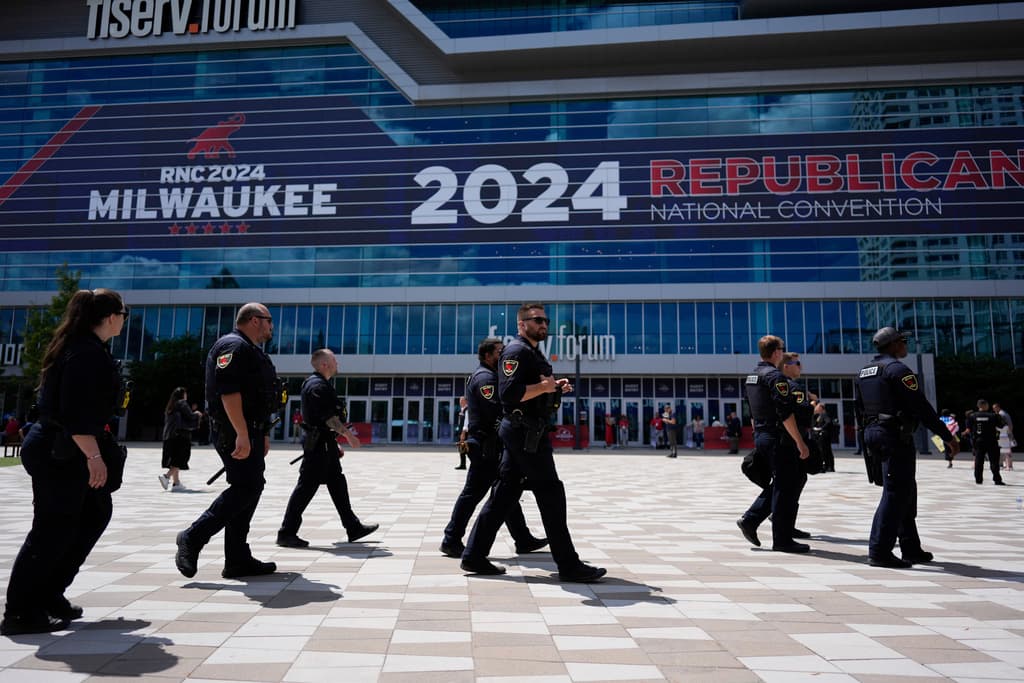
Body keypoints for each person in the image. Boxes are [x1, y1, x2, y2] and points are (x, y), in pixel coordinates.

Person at [1, 289, 128, 636]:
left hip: (66, 447)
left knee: (95, 511)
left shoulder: (88, 348)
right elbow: (74, 413)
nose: (124, 319)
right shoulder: (84, 353)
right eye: (124, 313)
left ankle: (48, 593)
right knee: (52, 528)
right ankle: (21, 612)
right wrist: (95, 457)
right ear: (110, 317)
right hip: (61, 450)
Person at [461, 303, 606, 583]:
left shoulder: (530, 352)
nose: (543, 324)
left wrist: (553, 388)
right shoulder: (515, 351)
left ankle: (474, 555)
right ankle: (568, 564)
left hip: (526, 432)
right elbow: (509, 394)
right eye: (536, 319)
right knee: (551, 492)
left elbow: (532, 390)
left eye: (545, 320)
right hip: (523, 433)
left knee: (504, 494)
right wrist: (544, 387)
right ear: (521, 324)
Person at [175, 303, 280, 580]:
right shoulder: (233, 346)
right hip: (234, 431)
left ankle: (237, 558)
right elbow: (229, 393)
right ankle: (192, 537)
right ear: (255, 320)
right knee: (246, 487)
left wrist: (263, 433)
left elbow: (258, 397)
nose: (272, 327)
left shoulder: (252, 350)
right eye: (269, 321)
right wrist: (243, 434)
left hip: (251, 430)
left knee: (251, 487)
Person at [855, 326, 959, 568]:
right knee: (895, 493)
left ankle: (910, 547)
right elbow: (921, 407)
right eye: (903, 341)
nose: (906, 345)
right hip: (894, 436)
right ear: (893, 345)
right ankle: (880, 550)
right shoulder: (898, 370)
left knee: (905, 491)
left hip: (875, 434)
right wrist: (948, 437)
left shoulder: (864, 372)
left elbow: (858, 408)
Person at [440, 337, 546, 559]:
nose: (503, 355)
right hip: (485, 447)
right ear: (487, 356)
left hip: (493, 446)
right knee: (473, 494)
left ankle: (523, 538)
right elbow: (499, 410)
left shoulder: (491, 376)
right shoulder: (485, 379)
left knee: (506, 492)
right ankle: (451, 539)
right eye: (499, 352)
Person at [277, 349, 377, 548]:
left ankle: (353, 526)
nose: (337, 363)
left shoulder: (318, 384)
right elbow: (328, 417)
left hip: (324, 443)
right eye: (333, 360)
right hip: (319, 445)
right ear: (324, 364)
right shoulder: (317, 386)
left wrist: (334, 442)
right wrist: (349, 436)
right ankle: (286, 532)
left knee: (337, 483)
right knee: (306, 486)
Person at [736, 335, 811, 554]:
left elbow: (751, 411)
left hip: (763, 435)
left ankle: (753, 520)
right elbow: (785, 413)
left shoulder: (752, 376)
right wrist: (800, 442)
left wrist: (758, 436)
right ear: (777, 352)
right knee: (786, 484)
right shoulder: (775, 377)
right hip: (779, 438)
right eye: (782, 349)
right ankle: (780, 538)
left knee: (787, 481)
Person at [159, 387, 202, 490]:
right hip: (180, 436)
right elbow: (190, 416)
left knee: (174, 459)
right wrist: (197, 414)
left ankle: (176, 483)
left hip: (170, 436)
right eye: (185, 393)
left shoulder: (171, 405)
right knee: (181, 458)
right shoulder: (182, 403)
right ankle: (166, 476)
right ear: (182, 395)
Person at [965, 399, 1005, 486]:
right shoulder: (993, 416)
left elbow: (968, 430)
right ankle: (997, 479)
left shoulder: (972, 416)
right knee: (994, 461)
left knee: (979, 461)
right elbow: (1001, 425)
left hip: (979, 441)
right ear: (985, 405)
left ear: (978, 406)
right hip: (992, 441)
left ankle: (978, 480)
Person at [813, 403, 835, 473]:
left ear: (821, 408)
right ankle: (829, 466)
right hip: (823, 435)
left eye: (817, 407)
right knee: (826, 451)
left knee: (824, 451)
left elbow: (828, 422)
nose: (816, 408)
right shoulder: (820, 415)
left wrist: (820, 428)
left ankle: (827, 466)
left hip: (824, 435)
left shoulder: (824, 414)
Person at [993, 402, 1014, 470]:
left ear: (998, 407)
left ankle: (1002, 464)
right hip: (1006, 435)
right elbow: (1010, 425)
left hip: (1003, 435)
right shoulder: (1005, 414)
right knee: (1007, 451)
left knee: (1002, 451)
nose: (993, 410)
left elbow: (1009, 425)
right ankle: (1009, 465)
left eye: (994, 408)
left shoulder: (1001, 414)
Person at [454, 396, 469, 469]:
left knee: (466, 449)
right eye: (460, 401)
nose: (460, 402)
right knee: (461, 449)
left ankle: (465, 464)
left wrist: (463, 433)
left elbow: (466, 422)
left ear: (466, 401)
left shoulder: (467, 410)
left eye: (462, 401)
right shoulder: (462, 410)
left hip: (465, 433)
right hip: (461, 432)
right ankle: (462, 464)